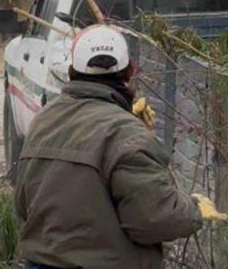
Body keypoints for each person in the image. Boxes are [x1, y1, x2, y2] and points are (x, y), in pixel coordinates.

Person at [14, 24, 225, 269]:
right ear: (130, 71)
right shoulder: (128, 134)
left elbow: (23, 204)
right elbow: (154, 220)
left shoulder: (44, 121)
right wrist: (193, 209)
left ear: (71, 72)